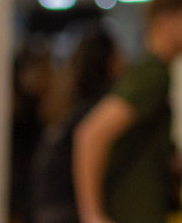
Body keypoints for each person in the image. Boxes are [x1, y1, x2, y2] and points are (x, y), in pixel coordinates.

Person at [74, 0, 182, 223]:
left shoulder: (151, 70)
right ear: (165, 22)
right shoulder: (151, 73)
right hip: (132, 212)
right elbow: (90, 135)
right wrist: (92, 214)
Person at [31, 26, 123, 223]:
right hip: (65, 207)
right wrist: (93, 214)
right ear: (109, 60)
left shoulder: (69, 101)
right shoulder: (100, 105)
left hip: (47, 204)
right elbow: (87, 137)